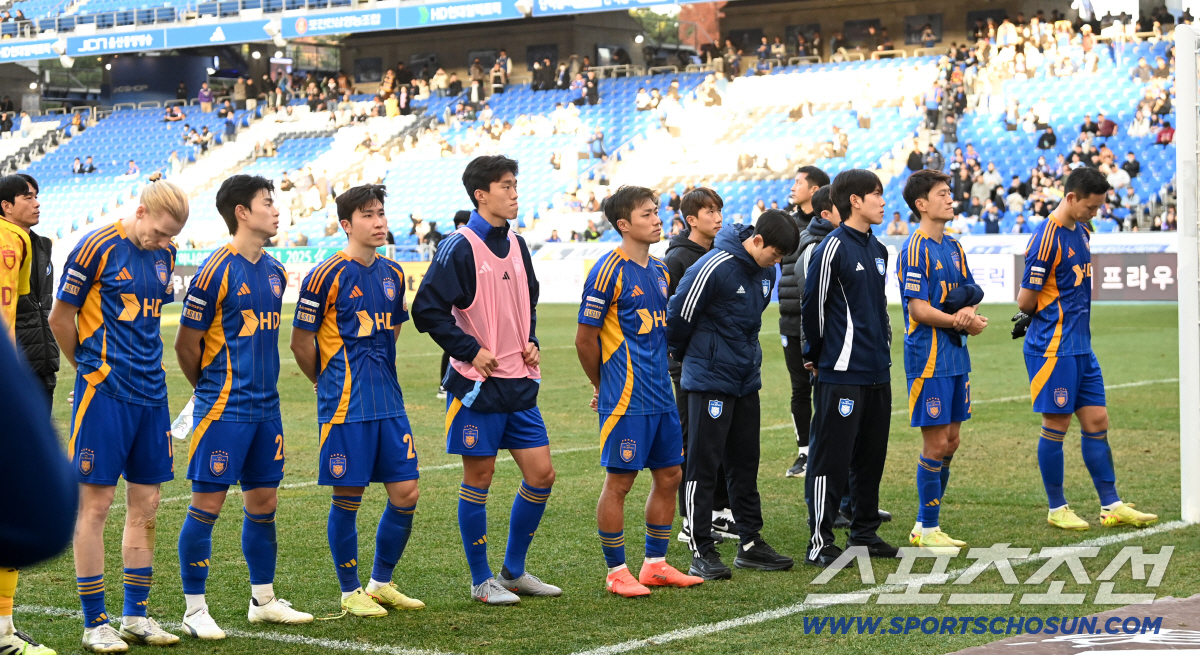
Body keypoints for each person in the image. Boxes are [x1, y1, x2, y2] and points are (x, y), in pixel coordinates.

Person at [412, 155, 561, 605]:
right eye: (506, 186)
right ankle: (481, 580)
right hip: (476, 386)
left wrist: (531, 339)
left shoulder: (517, 243)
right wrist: (469, 350)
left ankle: (512, 573)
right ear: (481, 194)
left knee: (542, 475)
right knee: (480, 477)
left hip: (519, 382)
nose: (515, 193)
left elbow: (527, 300)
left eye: (515, 185)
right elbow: (426, 310)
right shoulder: (459, 245)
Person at [49, 181, 190, 652]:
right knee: (96, 504)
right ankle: (95, 622)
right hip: (105, 395)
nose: (163, 241)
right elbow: (60, 318)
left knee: (147, 504)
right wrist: (88, 369)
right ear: (141, 211)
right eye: (159, 232)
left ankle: (136, 616)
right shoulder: (95, 247)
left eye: (171, 236)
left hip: (152, 395)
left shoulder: (166, 253)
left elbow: (147, 322)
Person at [172, 175, 313, 638]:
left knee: (264, 503)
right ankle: (194, 609)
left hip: (267, 410)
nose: (276, 210)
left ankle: (263, 601)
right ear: (242, 212)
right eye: (267, 203)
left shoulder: (275, 271)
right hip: (223, 410)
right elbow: (186, 345)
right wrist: (210, 391)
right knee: (206, 507)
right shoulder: (214, 271)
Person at [290, 185, 425, 617]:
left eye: (381, 213)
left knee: (406, 492)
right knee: (348, 497)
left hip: (389, 400)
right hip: (346, 404)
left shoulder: (393, 273)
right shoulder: (325, 275)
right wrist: (324, 379)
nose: (379, 222)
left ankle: (380, 583)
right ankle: (350, 591)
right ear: (346, 225)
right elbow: (300, 342)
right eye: (368, 215)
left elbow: (393, 330)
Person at [574, 186, 704, 597]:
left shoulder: (661, 271)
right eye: (646, 214)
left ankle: (655, 565)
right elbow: (584, 340)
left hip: (661, 394)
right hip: (626, 399)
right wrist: (602, 385)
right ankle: (616, 571)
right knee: (621, 482)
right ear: (624, 224)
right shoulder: (607, 271)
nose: (657, 219)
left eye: (656, 212)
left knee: (670, 475)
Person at [1013, 167, 1158, 531]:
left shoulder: (1082, 231)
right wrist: (1032, 314)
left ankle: (1111, 505)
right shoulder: (1045, 238)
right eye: (1091, 207)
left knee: (1097, 421)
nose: (1095, 213)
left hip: (1081, 346)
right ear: (1071, 197)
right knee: (1056, 424)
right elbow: (1025, 300)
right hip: (1053, 347)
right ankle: (1057, 507)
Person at [666, 210, 799, 580]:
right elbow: (677, 316)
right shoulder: (714, 266)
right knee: (703, 464)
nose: (777, 262)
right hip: (709, 380)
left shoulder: (766, 272)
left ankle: (751, 543)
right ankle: (700, 548)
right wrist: (692, 358)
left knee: (745, 462)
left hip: (745, 380)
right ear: (757, 241)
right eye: (775, 254)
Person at [800, 169, 898, 567]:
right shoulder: (831, 248)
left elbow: (878, 309)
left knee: (871, 458)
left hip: (877, 371)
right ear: (855, 200)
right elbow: (813, 306)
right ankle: (820, 542)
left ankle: (864, 534)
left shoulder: (879, 250)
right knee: (831, 459)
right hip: (840, 373)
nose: (883, 202)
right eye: (876, 194)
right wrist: (815, 355)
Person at [897, 170, 988, 552]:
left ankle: (927, 524)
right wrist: (959, 321)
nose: (951, 199)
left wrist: (969, 313)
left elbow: (970, 292)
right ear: (921, 204)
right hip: (928, 358)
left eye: (950, 193)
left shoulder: (954, 246)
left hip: (956, 356)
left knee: (951, 441)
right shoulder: (914, 249)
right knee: (935, 444)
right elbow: (918, 310)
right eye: (943, 194)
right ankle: (927, 527)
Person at [662, 188, 735, 544]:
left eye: (719, 210)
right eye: (709, 211)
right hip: (689, 363)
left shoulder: (720, 253)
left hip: (718, 362)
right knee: (693, 439)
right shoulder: (678, 259)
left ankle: (718, 511)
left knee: (718, 439)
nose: (717, 217)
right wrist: (678, 356)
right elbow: (671, 314)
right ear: (691, 219)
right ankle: (690, 519)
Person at [777, 165, 829, 479]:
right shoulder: (786, 223)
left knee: (824, 386)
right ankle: (804, 452)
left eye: (798, 182)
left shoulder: (831, 224)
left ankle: (825, 450)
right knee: (799, 389)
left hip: (819, 321)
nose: (793, 186)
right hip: (788, 320)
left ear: (815, 189)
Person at [3, 174, 57, 406]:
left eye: (36, 197)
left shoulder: (42, 245)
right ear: (7, 206)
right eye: (28, 198)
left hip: (43, 363)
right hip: (14, 363)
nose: (37, 204)